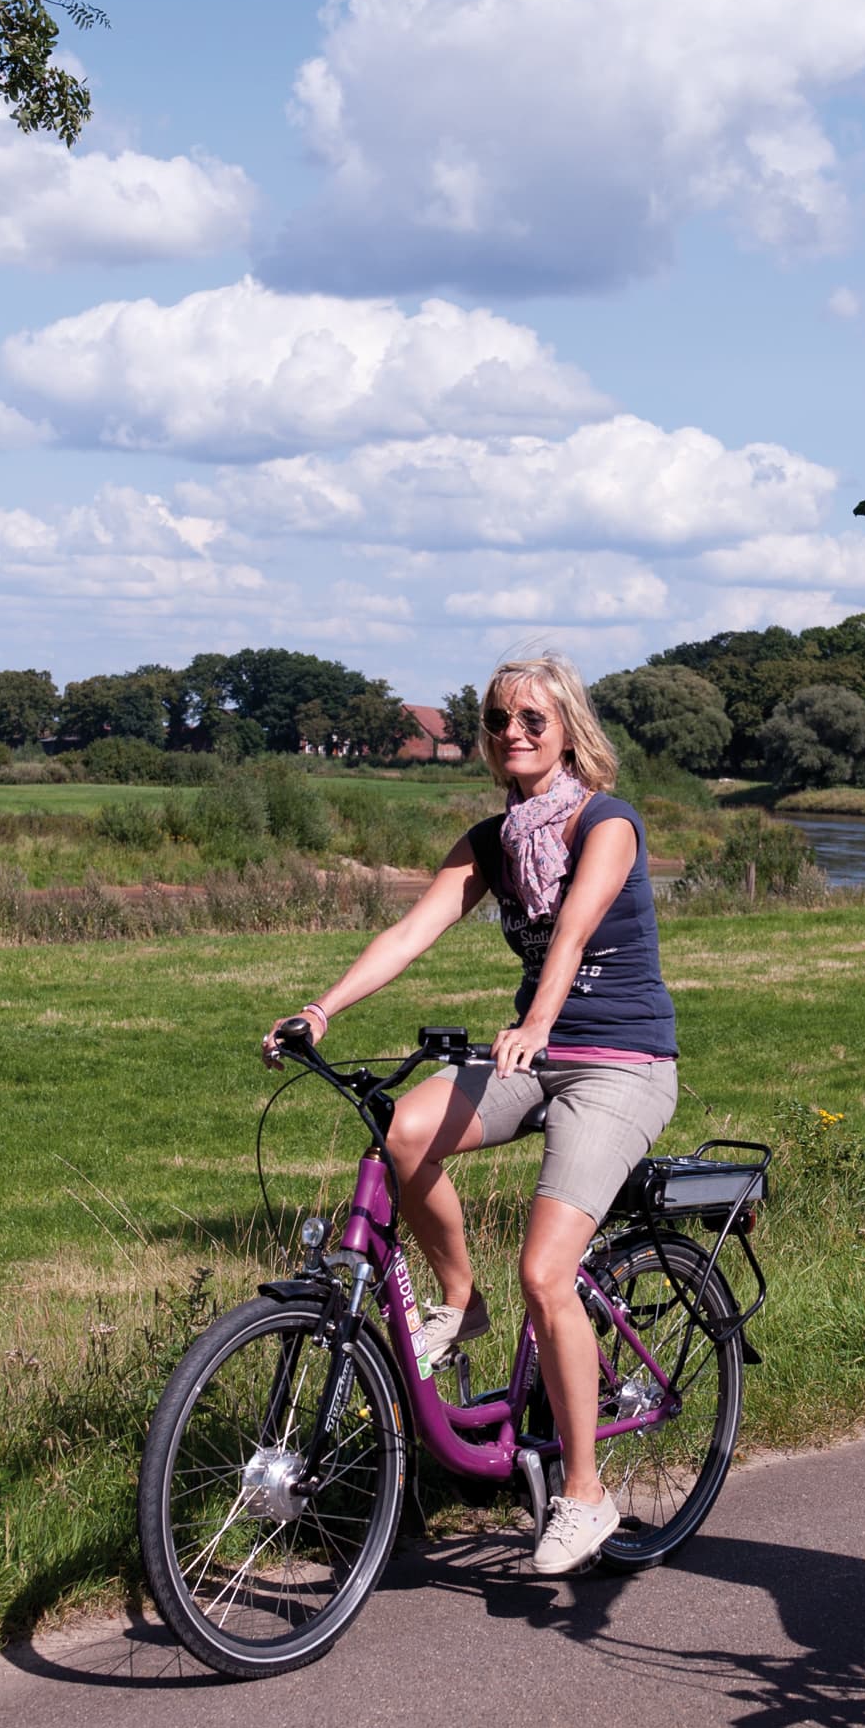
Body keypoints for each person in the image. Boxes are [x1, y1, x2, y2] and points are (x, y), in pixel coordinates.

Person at [268, 652, 679, 1574]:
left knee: (549, 1269)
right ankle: (461, 1301)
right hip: (530, 1054)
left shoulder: (606, 823)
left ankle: (585, 1495)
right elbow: (412, 930)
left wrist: (537, 1018)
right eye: (498, 720)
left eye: (533, 719)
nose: (513, 734)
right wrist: (322, 1009)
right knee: (405, 1132)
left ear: (567, 728)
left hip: (619, 1062)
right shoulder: (493, 841)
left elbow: (571, 929)